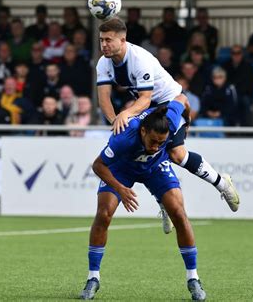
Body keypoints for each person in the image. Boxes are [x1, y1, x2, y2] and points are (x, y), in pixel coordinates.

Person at [95, 18, 240, 231]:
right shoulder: (103, 63)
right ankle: (162, 200)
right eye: (101, 40)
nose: (104, 45)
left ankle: (222, 183)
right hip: (145, 109)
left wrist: (125, 114)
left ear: (123, 40)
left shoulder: (139, 59)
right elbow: (104, 99)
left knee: (176, 154)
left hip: (167, 102)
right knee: (137, 150)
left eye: (108, 40)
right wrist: (115, 121)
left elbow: (145, 98)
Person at [79, 95, 207, 300]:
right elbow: (98, 165)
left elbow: (182, 98)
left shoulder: (170, 121)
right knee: (104, 214)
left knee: (179, 214)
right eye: (153, 141)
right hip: (122, 170)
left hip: (155, 168)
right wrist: (120, 189)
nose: (156, 146)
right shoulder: (123, 137)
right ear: (143, 131)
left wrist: (187, 124)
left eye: (161, 143)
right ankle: (93, 278)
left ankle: (193, 278)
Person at [223, 45, 253, 126]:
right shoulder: (225, 66)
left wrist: (237, 93)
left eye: (238, 53)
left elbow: (250, 84)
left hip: (244, 93)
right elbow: (223, 82)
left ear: (242, 54)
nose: (236, 55)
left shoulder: (249, 67)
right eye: (234, 53)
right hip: (229, 94)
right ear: (231, 54)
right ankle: (228, 127)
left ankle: (246, 129)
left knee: (245, 101)